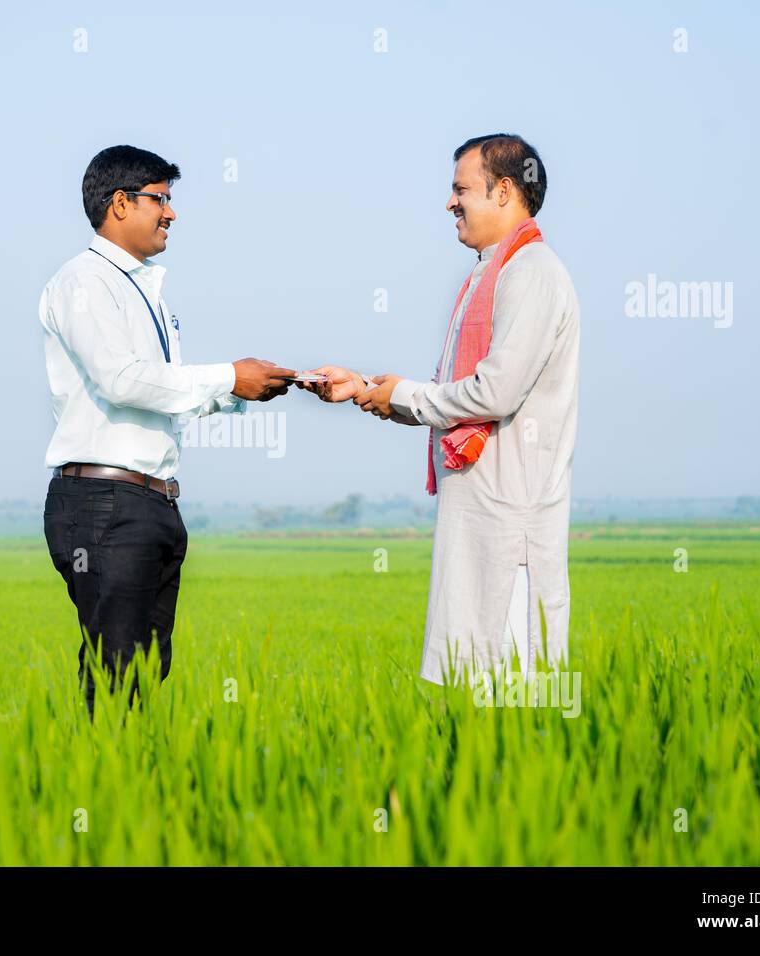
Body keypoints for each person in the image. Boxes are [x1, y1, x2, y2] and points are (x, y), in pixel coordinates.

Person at [299, 133, 580, 687]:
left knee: (517, 701)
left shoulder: (531, 273)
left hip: (510, 524)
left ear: (503, 190)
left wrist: (401, 395)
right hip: (478, 519)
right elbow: (453, 393)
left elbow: (491, 393)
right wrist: (366, 389)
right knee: (473, 695)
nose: (450, 203)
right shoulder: (491, 272)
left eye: (460, 189)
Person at [39, 144, 295, 719]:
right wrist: (230, 373)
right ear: (120, 203)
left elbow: (160, 396)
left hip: (149, 502)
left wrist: (241, 391)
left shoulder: (144, 289)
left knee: (146, 666)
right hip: (105, 503)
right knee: (118, 670)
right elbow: (123, 381)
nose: (171, 214)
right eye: (162, 199)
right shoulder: (85, 282)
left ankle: (130, 784)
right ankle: (101, 790)